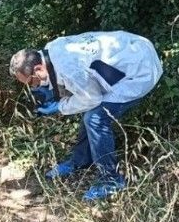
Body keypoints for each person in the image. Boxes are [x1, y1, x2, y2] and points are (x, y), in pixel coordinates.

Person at [9, 30, 163, 201]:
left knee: (95, 119)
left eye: (32, 82)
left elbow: (91, 98)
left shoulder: (68, 68)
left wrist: (61, 107)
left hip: (140, 71)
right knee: (91, 114)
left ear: (38, 68)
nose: (33, 87)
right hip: (132, 50)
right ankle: (81, 160)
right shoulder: (50, 51)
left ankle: (111, 181)